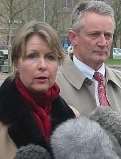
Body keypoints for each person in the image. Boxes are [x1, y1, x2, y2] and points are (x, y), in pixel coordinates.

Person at [56, 1, 121, 158]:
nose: (103, 42)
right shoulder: (52, 88)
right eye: (94, 34)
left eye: (108, 35)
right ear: (73, 37)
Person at [0, 20, 75, 158]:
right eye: (32, 56)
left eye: (50, 57)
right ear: (17, 62)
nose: (42, 65)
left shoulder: (73, 116)